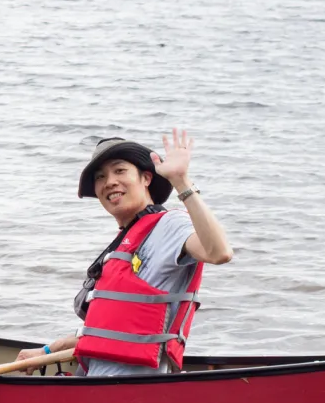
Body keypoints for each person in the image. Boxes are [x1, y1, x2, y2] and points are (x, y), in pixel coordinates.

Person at [16, 129, 232, 376]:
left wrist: (181, 182)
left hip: (132, 393)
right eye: (100, 177)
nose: (109, 182)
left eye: (120, 171)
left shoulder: (170, 225)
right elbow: (109, 332)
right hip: (95, 384)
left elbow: (220, 252)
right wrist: (47, 351)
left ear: (146, 178)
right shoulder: (123, 244)